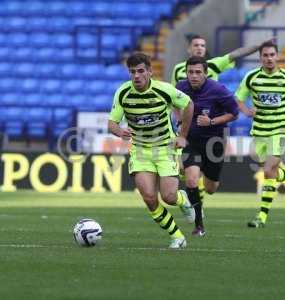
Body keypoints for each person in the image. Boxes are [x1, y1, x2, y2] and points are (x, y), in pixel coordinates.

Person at [172, 34, 273, 209]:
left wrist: (259, 45)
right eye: (196, 45)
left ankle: (200, 179)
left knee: (211, 186)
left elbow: (236, 54)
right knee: (185, 170)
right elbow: (173, 96)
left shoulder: (214, 65)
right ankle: (194, 200)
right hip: (190, 127)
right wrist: (180, 118)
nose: (199, 48)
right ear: (189, 49)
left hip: (212, 126)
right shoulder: (178, 70)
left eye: (203, 45)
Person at [108, 52, 195, 249]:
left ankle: (183, 200)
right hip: (140, 150)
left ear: (149, 71)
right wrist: (120, 131)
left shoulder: (164, 90)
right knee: (148, 197)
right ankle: (177, 236)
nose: (136, 76)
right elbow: (111, 123)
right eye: (132, 72)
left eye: (140, 71)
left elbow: (189, 104)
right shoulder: (123, 93)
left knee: (169, 197)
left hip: (165, 148)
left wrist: (182, 135)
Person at [235, 40, 285, 228]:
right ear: (260, 58)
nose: (269, 58)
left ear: (277, 56)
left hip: (281, 128)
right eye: (265, 55)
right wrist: (245, 110)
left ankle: (261, 217)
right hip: (259, 130)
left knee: (268, 171)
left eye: (272, 55)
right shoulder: (251, 78)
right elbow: (238, 98)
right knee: (271, 171)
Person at [176, 56, 239, 236]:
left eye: (198, 72)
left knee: (210, 188)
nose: (194, 76)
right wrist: (179, 120)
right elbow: (172, 103)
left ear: (205, 73)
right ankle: (199, 225)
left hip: (214, 142)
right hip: (192, 141)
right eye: (190, 72)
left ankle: (201, 174)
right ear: (186, 73)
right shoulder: (181, 87)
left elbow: (234, 114)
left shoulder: (218, 90)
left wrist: (212, 121)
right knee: (191, 180)